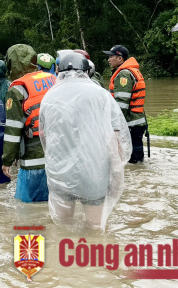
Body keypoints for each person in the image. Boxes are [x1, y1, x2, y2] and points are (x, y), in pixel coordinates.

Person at [40, 52, 131, 230]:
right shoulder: (101, 94)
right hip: (93, 172)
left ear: (59, 71)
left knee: (62, 227)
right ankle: (93, 256)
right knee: (96, 228)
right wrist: (117, 173)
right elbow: (115, 138)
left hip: (60, 172)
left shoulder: (49, 97)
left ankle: (59, 256)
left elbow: (44, 137)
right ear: (86, 71)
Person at [1, 44, 56, 202]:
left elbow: (13, 130)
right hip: (60, 159)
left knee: (29, 214)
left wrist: (7, 161)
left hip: (34, 161)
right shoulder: (53, 79)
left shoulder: (17, 90)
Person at [104, 45, 148, 163]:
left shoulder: (123, 74)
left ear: (120, 58)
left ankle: (138, 177)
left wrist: (114, 123)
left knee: (132, 159)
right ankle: (141, 176)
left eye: (111, 56)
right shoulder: (130, 71)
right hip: (136, 121)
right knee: (137, 158)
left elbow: (122, 103)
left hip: (130, 122)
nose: (108, 59)